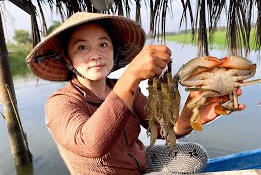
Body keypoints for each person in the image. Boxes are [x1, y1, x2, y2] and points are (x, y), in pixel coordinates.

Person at [26, 12, 245, 175]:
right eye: (82, 47)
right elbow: (90, 145)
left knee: (195, 154)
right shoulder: (60, 103)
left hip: (139, 162)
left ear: (115, 51)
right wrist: (131, 76)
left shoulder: (123, 89)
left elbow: (165, 131)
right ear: (67, 58)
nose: (95, 54)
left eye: (103, 44)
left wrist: (190, 114)